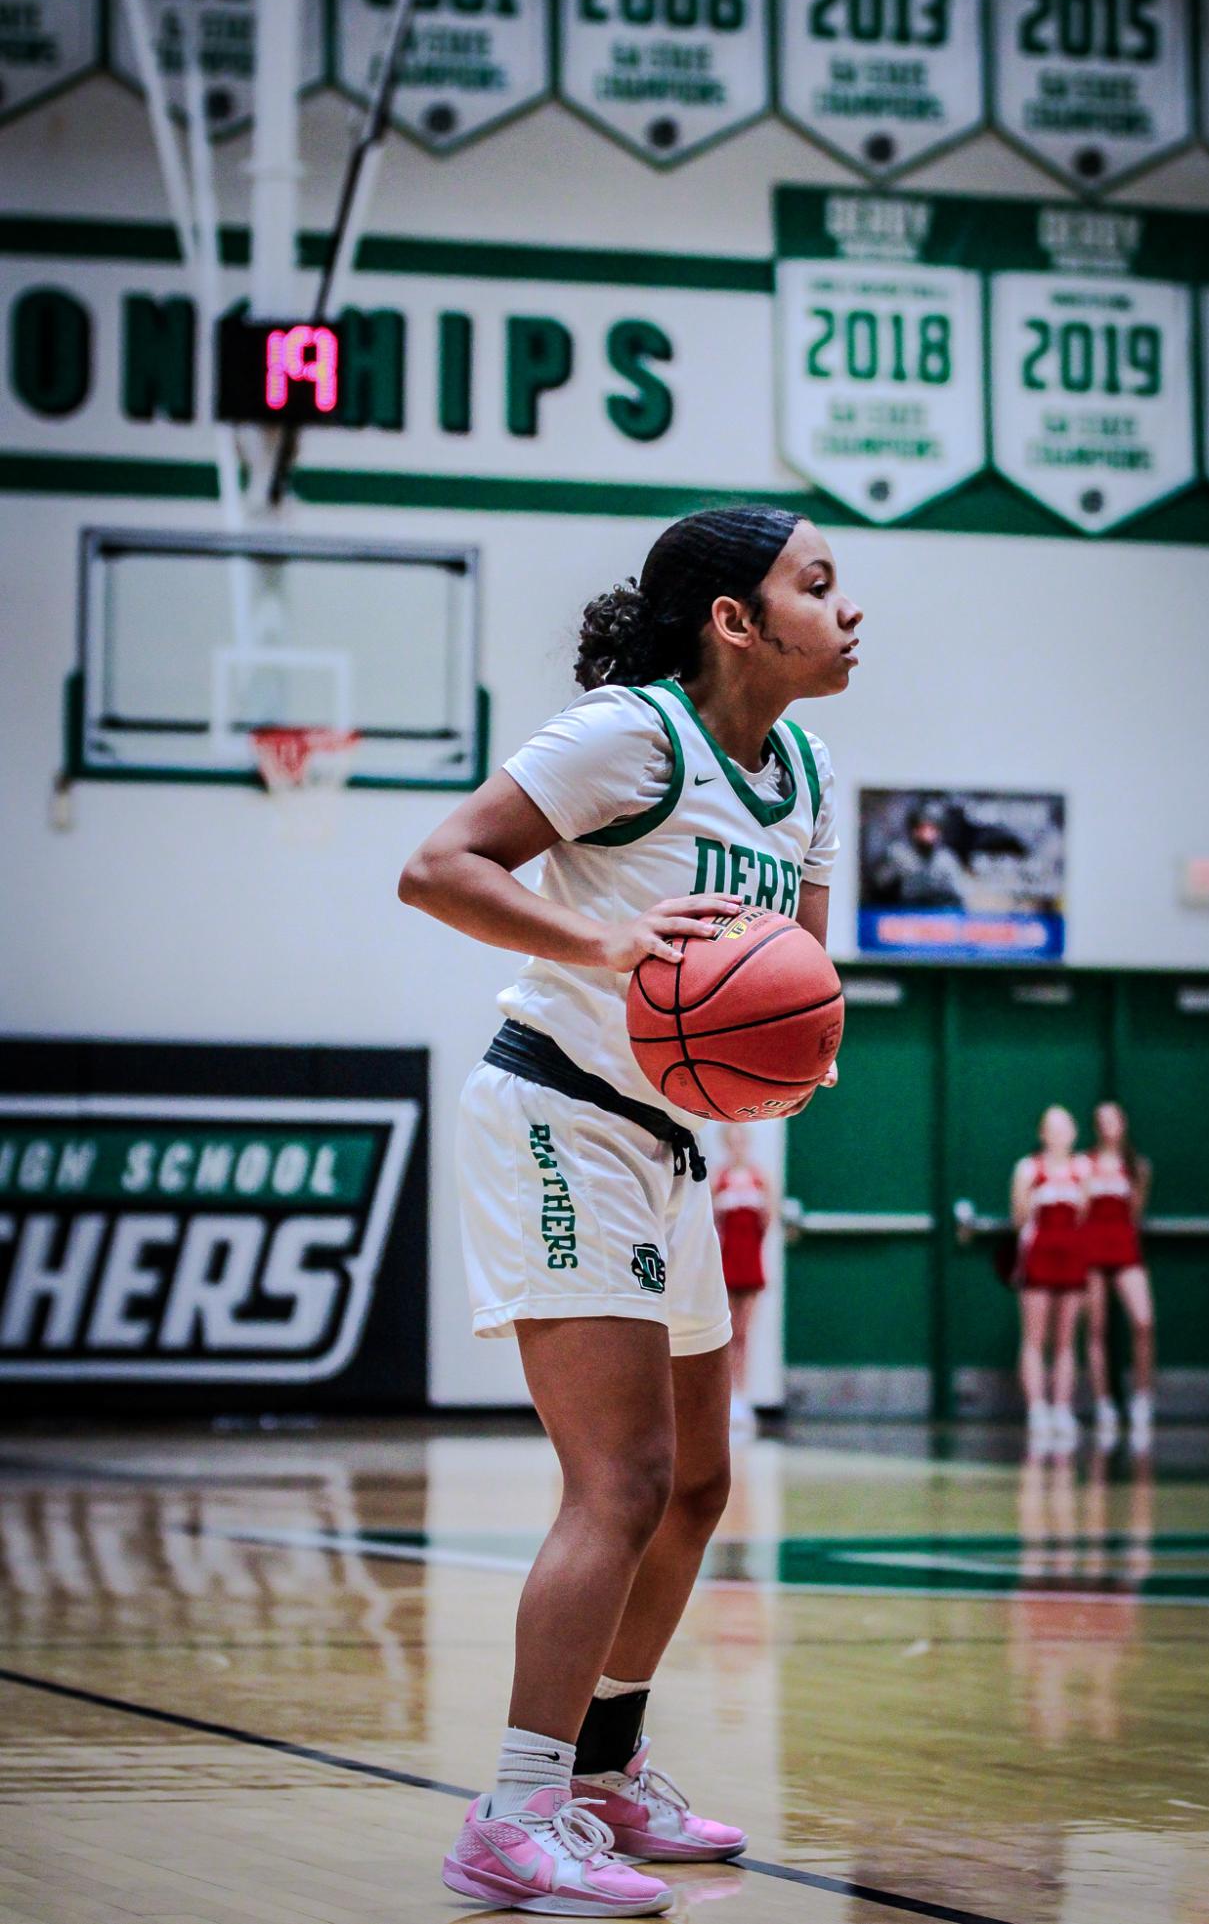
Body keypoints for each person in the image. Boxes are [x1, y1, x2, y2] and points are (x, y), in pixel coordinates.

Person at [399, 507, 859, 1915]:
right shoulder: (630, 736)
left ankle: (603, 1772)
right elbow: (437, 867)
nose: (849, 613)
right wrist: (600, 937)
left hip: (672, 1138)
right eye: (818, 587)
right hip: (555, 1113)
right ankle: (514, 1810)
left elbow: (802, 979)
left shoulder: (809, 770)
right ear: (734, 618)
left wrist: (771, 1060)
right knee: (619, 1481)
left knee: (699, 1483)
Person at [1011, 1106, 1090, 1451]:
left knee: (1066, 1338)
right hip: (1039, 1253)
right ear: (1043, 1133)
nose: (1059, 1134)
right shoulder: (1029, 1168)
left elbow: (1085, 1213)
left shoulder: (1082, 1169)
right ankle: (1037, 1409)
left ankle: (1061, 1408)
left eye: (1065, 1128)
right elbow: (1019, 1216)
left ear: (1073, 1133)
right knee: (1035, 1336)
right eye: (1052, 1128)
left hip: (1071, 1255)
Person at [1083, 1102, 1155, 1450]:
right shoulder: (1085, 1164)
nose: (1108, 1126)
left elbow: (1137, 1213)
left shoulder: (1137, 1167)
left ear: (1124, 1123)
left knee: (1143, 1321)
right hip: (1092, 1250)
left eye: (1114, 1119)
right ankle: (1104, 1404)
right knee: (1096, 1328)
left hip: (1125, 1248)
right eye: (1102, 1121)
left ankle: (1142, 1398)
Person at [711, 1125, 773, 1440]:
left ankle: (742, 1395)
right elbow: (708, 1221)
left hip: (750, 1261)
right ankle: (725, 1397)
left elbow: (768, 1219)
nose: (737, 1148)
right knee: (727, 1331)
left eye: (741, 1142)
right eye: (731, 1143)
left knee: (744, 1333)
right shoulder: (717, 1179)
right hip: (726, 1261)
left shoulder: (760, 1178)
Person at [873, 798, 968, 908]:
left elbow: (961, 895)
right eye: (923, 828)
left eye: (932, 829)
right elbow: (879, 886)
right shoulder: (897, 853)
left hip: (935, 914)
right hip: (902, 912)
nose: (927, 834)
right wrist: (897, 873)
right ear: (913, 830)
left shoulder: (946, 858)